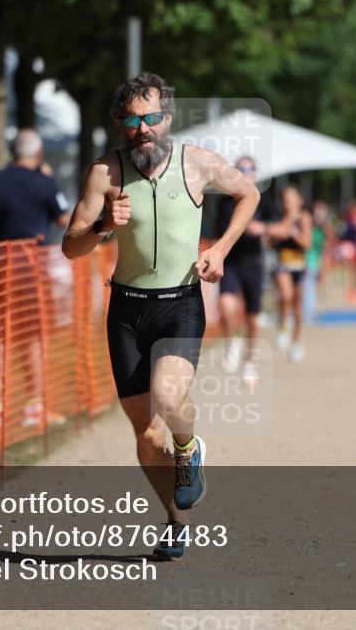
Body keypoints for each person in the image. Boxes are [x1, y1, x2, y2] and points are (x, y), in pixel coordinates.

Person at [61, 72, 259, 561]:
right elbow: (71, 246)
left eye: (151, 117)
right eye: (131, 119)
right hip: (127, 309)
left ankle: (190, 448)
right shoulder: (104, 174)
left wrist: (222, 248)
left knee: (170, 398)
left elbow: (249, 194)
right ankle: (175, 520)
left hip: (180, 304)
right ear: (119, 123)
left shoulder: (198, 164)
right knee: (147, 436)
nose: (142, 128)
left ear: (167, 118)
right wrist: (106, 225)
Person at [0, 128, 71, 427]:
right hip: (29, 265)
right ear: (38, 153)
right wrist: (50, 179)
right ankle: (33, 406)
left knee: (0, 335)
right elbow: (65, 218)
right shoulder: (44, 182)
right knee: (31, 335)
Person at [216, 155, 273, 381]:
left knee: (252, 316)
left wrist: (263, 229)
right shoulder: (225, 202)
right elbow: (217, 232)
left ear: (256, 173)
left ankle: (250, 360)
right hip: (230, 262)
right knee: (226, 306)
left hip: (254, 262)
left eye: (250, 168)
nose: (245, 172)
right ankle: (232, 343)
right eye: (241, 169)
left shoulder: (265, 199)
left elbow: (279, 227)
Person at [269, 186, 312, 362]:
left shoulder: (304, 218)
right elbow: (271, 239)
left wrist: (293, 233)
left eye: (292, 198)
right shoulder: (279, 217)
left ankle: (297, 342)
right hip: (282, 264)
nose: (288, 202)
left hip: (299, 265)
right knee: (286, 296)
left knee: (297, 305)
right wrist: (280, 229)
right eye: (286, 199)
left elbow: (307, 243)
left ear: (299, 200)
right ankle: (283, 326)